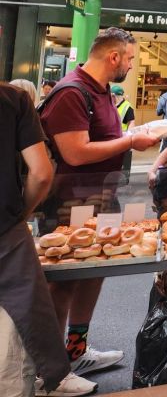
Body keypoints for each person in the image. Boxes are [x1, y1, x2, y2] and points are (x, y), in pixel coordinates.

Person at [38, 28, 161, 380]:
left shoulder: (102, 91)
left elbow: (102, 139)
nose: (132, 65)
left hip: (101, 197)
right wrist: (130, 142)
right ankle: (52, 368)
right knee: (64, 280)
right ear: (114, 57)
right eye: (131, 59)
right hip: (69, 203)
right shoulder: (72, 93)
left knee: (94, 271)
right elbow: (75, 153)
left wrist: (127, 138)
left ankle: (75, 351)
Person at [0, 83, 93, 397]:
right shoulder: (13, 100)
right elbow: (41, 172)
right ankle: (53, 377)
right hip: (4, 227)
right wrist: (20, 213)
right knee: (24, 308)